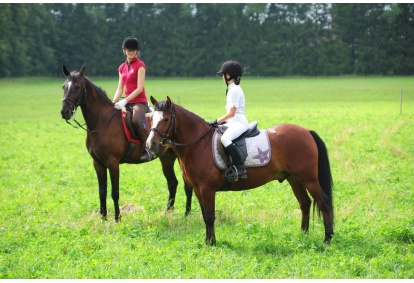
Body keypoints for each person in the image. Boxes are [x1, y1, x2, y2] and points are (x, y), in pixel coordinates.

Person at [113, 36, 154, 161]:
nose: (130, 52)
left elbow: (139, 88)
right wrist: (114, 102)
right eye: (128, 50)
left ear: (136, 51)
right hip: (127, 101)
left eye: (133, 50)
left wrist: (125, 101)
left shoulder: (140, 65)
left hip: (139, 102)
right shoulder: (121, 67)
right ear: (124, 50)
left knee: (136, 120)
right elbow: (120, 88)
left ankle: (148, 149)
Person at [209, 60, 249, 181]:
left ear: (228, 75)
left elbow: (231, 113)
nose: (222, 77)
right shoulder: (231, 89)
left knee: (226, 138)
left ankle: (239, 168)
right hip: (233, 122)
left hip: (239, 122)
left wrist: (217, 120)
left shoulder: (235, 90)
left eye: (223, 74)